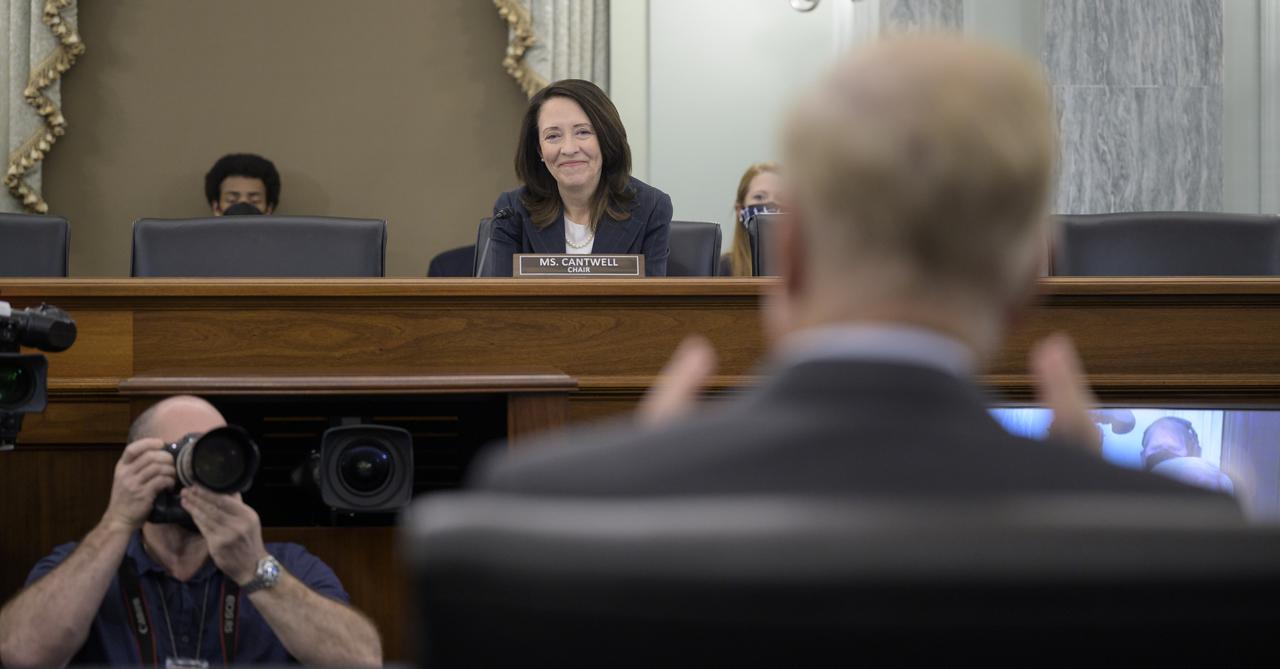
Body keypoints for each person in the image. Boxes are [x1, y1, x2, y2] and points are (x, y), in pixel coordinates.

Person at [465, 36, 1234, 505]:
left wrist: (634, 493)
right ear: (1031, 275)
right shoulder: (1188, 538)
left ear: (787, 257)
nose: (566, 146)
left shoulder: (541, 500)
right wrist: (1085, 519)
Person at [0, 396, 382, 667]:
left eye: (214, 454)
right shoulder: (82, 564)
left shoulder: (286, 564)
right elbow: (21, 653)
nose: (199, 470)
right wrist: (116, 524)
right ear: (135, 463)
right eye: (180, 453)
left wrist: (255, 568)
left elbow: (362, 660)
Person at [479, 79, 672, 277]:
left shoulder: (651, 207)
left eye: (583, 132)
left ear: (606, 139)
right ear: (539, 150)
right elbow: (501, 303)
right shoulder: (512, 210)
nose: (569, 149)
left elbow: (651, 303)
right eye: (553, 136)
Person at [720, 162, 785, 276]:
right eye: (759, 197)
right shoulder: (719, 269)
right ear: (740, 210)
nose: (771, 204)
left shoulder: (809, 270)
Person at [1141, 416, 1235, 493]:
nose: (1164, 453)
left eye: (1173, 448)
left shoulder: (1213, 483)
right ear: (1143, 455)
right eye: (1156, 448)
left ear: (1194, 452)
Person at [205, 153, 280, 216]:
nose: (243, 204)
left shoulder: (289, 234)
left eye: (255, 201)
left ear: (269, 209)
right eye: (232, 200)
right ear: (216, 208)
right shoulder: (196, 234)